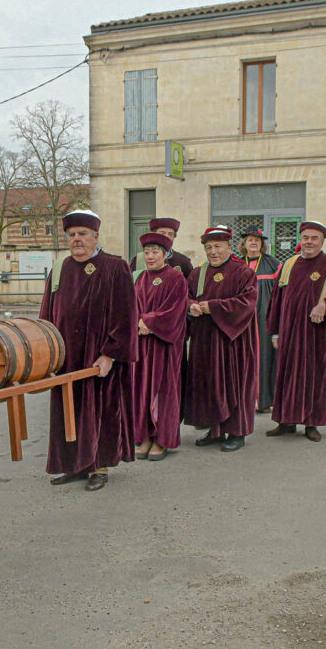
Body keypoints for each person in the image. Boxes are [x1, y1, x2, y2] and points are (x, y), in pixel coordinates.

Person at [42, 210, 138, 491]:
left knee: (99, 412)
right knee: (67, 411)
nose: (77, 240)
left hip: (99, 357)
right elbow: (46, 312)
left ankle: (99, 466)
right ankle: (74, 465)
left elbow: (126, 315)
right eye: (72, 235)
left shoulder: (114, 267)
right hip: (65, 357)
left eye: (83, 234)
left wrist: (110, 353)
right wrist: (46, 351)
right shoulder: (59, 268)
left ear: (96, 236)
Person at [266, 221, 326, 442]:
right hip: (290, 333)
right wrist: (275, 332)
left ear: (322, 241)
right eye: (305, 237)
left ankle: (311, 423)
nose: (309, 242)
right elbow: (276, 301)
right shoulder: (289, 265)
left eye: (314, 238)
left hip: (319, 336)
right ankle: (286, 421)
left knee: (315, 379)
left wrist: (325, 305)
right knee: (288, 377)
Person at [183, 226, 258, 452]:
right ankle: (215, 430)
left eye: (217, 247)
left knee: (233, 385)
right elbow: (185, 297)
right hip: (204, 340)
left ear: (229, 247)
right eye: (208, 248)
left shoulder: (243, 272)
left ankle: (237, 431)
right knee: (209, 385)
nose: (213, 252)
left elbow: (247, 303)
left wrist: (211, 307)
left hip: (233, 341)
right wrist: (191, 306)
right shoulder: (198, 273)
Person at [132, 231, 187, 461]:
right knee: (142, 389)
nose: (150, 256)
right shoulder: (139, 279)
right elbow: (130, 306)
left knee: (162, 391)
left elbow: (176, 311)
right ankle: (144, 435)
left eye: (155, 252)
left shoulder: (176, 278)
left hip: (164, 345)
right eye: (147, 252)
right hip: (142, 345)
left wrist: (149, 322)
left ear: (166, 254)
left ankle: (162, 439)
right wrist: (136, 322)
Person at [240, 226, 280, 412]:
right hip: (242, 320)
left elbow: (281, 294)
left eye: (257, 240)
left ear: (262, 244)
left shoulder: (273, 264)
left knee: (265, 359)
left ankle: (263, 401)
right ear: (244, 244)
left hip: (265, 320)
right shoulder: (237, 265)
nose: (254, 242)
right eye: (250, 240)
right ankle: (243, 401)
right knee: (242, 359)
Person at [129, 217, 194, 278]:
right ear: (153, 234)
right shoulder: (138, 261)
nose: (166, 237)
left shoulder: (183, 262)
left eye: (170, 234)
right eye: (162, 233)